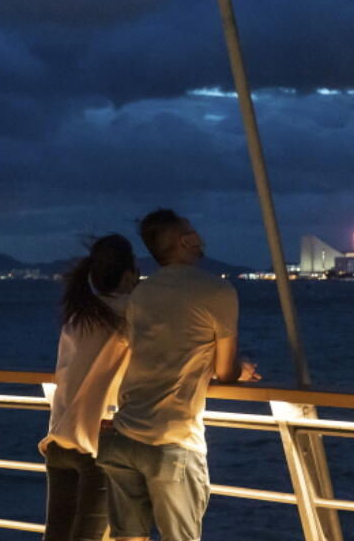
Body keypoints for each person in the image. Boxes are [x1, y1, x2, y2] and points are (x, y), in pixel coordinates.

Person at [97, 209, 258, 541]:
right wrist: (243, 370)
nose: (199, 237)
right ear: (186, 240)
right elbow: (224, 371)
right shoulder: (217, 292)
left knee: (127, 537)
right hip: (171, 440)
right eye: (193, 231)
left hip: (122, 435)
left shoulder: (140, 293)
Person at [40, 233, 139, 541]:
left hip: (58, 441)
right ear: (128, 276)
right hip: (94, 446)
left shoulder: (79, 314)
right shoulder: (129, 313)